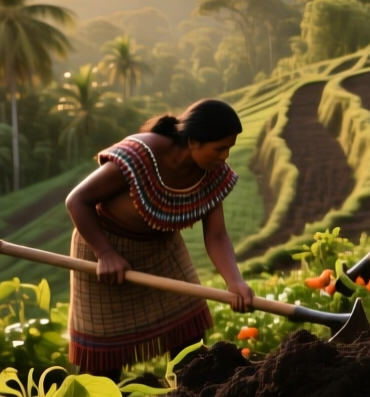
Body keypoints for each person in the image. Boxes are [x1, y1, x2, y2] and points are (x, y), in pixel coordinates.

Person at [64, 99, 251, 378]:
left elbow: (216, 234)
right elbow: (77, 201)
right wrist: (105, 254)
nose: (224, 157)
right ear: (193, 142)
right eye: (219, 148)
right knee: (102, 364)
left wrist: (235, 281)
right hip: (103, 250)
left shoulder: (212, 173)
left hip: (163, 249)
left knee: (190, 343)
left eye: (229, 149)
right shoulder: (139, 155)